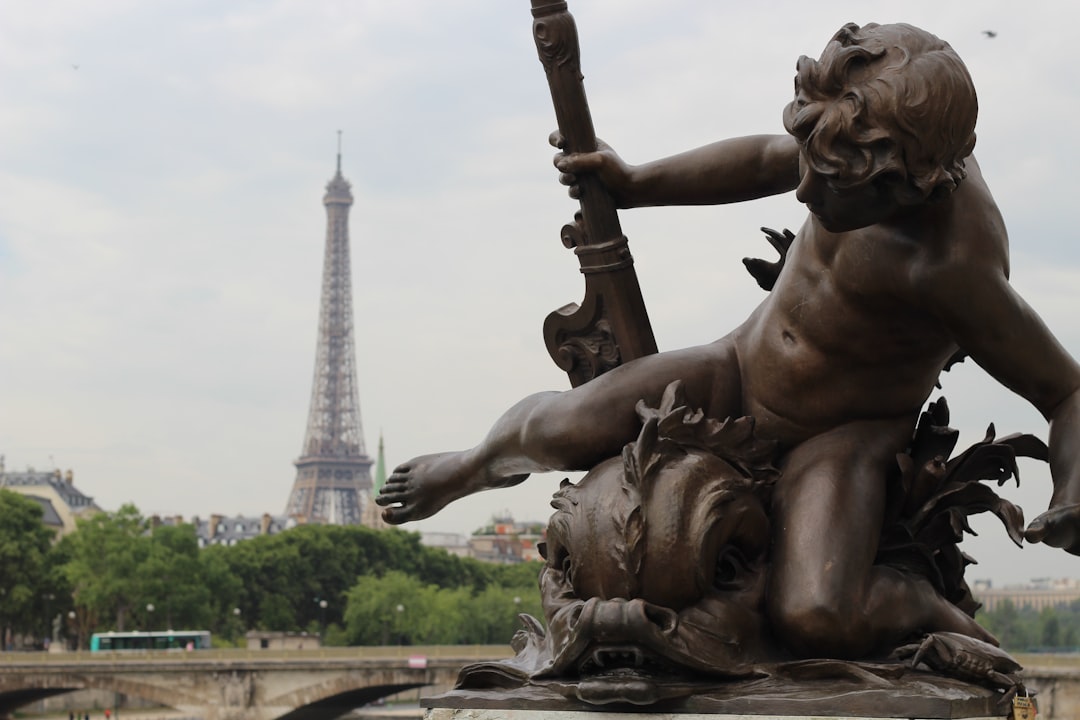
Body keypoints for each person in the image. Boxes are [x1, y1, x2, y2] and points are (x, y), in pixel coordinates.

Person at [377, 22, 1080, 658]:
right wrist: (633, 183)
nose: (803, 189)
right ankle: (470, 467)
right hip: (739, 367)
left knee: (815, 613)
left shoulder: (951, 269)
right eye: (807, 155)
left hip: (838, 435)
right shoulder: (848, 147)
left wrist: (1072, 488)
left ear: (905, 188)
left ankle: (917, 602)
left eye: (827, 184)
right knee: (559, 425)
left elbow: (1065, 390)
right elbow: (762, 162)